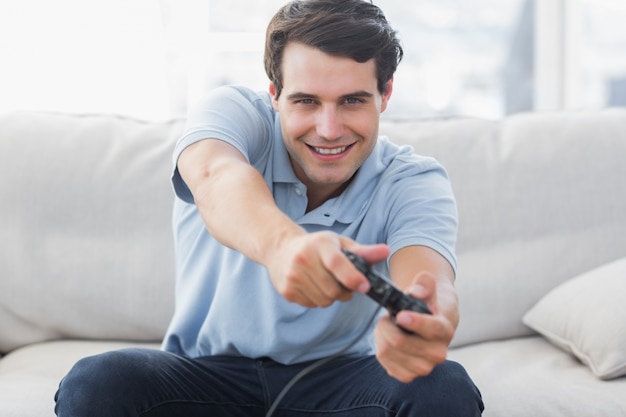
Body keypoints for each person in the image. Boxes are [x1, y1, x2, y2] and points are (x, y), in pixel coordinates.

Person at [54, 0, 484, 416]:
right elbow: (216, 177)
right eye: (306, 101)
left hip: (340, 383)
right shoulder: (234, 115)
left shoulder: (413, 180)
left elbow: (432, 284)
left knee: (443, 386)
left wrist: (424, 324)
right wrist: (283, 248)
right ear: (275, 94)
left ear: (385, 93)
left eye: (352, 100)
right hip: (205, 376)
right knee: (97, 382)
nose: (329, 130)